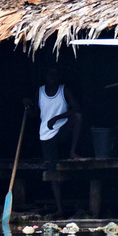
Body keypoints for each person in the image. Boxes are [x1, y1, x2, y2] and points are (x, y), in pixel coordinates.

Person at [34, 67, 83, 216]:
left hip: (62, 129)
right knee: (52, 171)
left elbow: (76, 109)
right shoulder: (40, 92)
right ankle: (59, 208)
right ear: (45, 77)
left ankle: (73, 151)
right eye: (49, 75)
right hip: (46, 134)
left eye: (55, 75)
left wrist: (57, 118)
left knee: (78, 117)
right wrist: (27, 105)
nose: (52, 78)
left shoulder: (64, 90)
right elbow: (33, 114)